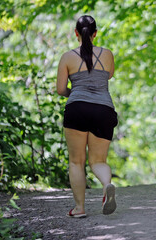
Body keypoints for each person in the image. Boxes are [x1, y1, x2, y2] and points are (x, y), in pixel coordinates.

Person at [57, 15, 118, 218]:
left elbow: (60, 89)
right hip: (104, 110)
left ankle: (79, 209)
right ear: (95, 34)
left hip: (77, 108)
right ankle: (107, 184)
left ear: (76, 33)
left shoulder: (67, 57)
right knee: (98, 160)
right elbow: (107, 76)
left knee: (76, 161)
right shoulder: (108, 54)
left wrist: (73, 93)